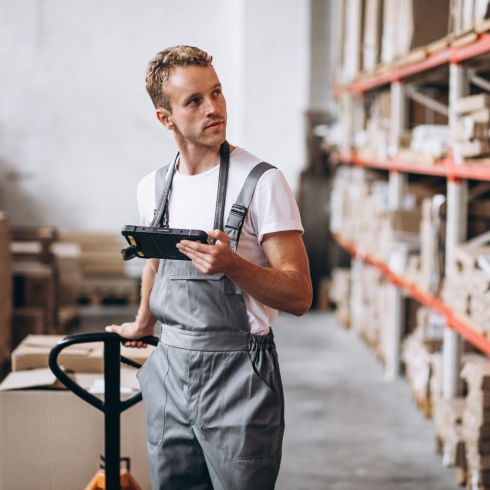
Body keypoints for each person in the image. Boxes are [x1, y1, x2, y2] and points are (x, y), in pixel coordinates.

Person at [106, 45, 312, 490]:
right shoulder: (154, 187)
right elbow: (156, 264)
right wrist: (142, 323)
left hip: (239, 376)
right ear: (166, 118)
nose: (214, 108)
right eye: (194, 100)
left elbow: (299, 294)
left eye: (216, 93)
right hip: (170, 370)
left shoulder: (261, 182)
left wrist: (233, 265)